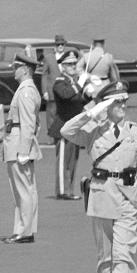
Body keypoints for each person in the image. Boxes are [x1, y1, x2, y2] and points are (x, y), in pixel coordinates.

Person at [60, 81, 137, 273]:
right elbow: (66, 131)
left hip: (128, 197)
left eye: (124, 101)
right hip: (101, 196)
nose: (122, 105)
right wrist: (92, 112)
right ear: (107, 105)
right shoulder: (94, 129)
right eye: (116, 102)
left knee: (123, 254)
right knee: (105, 256)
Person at [0, 51, 43, 244]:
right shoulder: (28, 89)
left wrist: (24, 151)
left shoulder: (26, 91)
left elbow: (28, 123)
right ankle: (24, 230)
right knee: (25, 189)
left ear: (25, 70)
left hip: (19, 144)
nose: (14, 70)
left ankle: (24, 232)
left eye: (16, 67)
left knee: (23, 190)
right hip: (19, 141)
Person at [50, 47, 85, 199]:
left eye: (74, 64)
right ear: (63, 66)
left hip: (74, 128)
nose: (73, 67)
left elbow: (79, 101)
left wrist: (89, 93)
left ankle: (69, 190)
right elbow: (65, 95)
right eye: (69, 64)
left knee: (73, 160)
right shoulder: (60, 82)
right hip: (63, 126)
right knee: (63, 161)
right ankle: (62, 191)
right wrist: (79, 85)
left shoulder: (74, 82)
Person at [40, 34, 68, 139]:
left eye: (62, 44)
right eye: (58, 44)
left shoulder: (68, 57)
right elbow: (44, 75)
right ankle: (52, 136)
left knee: (64, 114)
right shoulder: (48, 58)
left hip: (65, 91)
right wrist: (45, 92)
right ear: (55, 46)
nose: (60, 46)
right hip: (52, 92)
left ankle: (63, 135)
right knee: (51, 114)